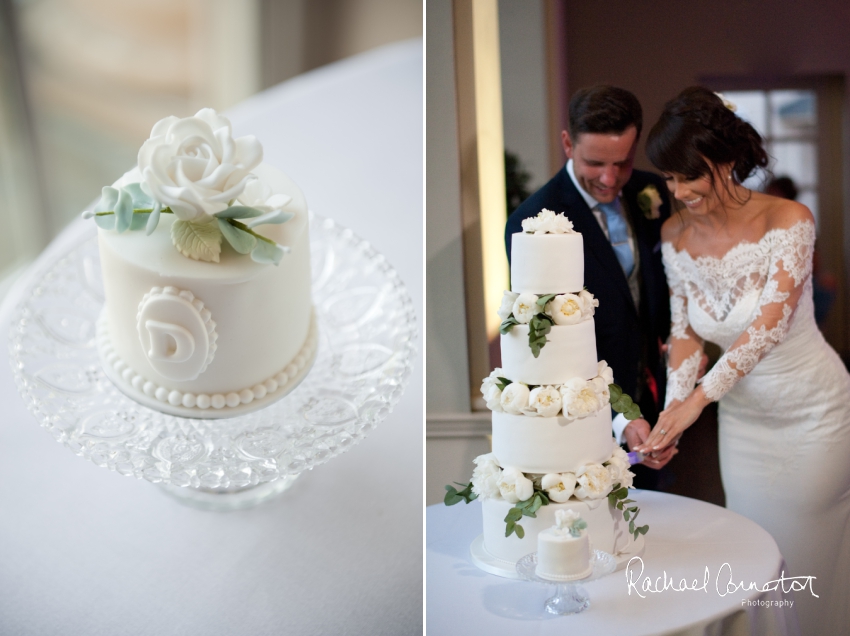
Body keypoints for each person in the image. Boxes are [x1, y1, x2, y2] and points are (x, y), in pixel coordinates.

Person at [637, 86, 850, 633]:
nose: (678, 191)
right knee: (754, 558)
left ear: (727, 162)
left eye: (691, 175)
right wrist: (673, 412)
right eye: (669, 177)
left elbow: (768, 328)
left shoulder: (789, 219)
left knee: (803, 560)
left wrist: (698, 401)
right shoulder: (672, 235)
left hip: (813, 417)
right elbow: (683, 334)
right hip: (745, 425)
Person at [505, 85, 677, 480]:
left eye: (623, 162)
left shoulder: (651, 192)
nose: (610, 177)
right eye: (595, 162)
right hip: (588, 416)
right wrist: (621, 417)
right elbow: (552, 347)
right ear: (568, 144)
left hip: (657, 399)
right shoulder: (532, 223)